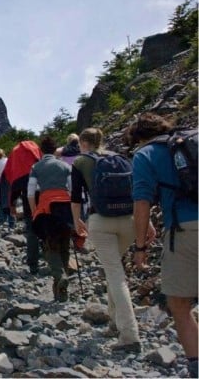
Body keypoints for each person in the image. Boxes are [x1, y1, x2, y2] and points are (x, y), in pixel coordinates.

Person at [127, 113, 198, 376]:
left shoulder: (145, 155)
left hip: (184, 229)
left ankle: (196, 364)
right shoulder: (194, 137)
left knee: (179, 303)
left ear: (139, 137)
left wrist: (140, 247)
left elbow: (142, 202)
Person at [71, 127, 153, 353]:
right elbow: (137, 191)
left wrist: (77, 221)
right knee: (114, 271)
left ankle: (130, 335)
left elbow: (76, 197)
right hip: (129, 221)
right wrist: (147, 223)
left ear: (83, 143)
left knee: (116, 276)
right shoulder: (120, 158)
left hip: (101, 221)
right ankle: (114, 323)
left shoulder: (80, 162)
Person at [28, 136, 73, 301]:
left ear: (41, 150)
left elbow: (30, 193)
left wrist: (34, 211)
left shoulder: (36, 167)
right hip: (66, 207)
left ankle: (59, 276)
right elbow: (72, 189)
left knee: (51, 245)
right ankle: (63, 287)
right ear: (55, 150)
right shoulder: (65, 166)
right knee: (65, 245)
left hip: (47, 208)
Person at [2, 140, 43, 274]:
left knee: (31, 230)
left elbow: (14, 181)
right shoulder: (36, 152)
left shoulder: (15, 154)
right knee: (47, 226)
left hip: (27, 198)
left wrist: (12, 204)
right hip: (44, 196)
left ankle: (33, 264)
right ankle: (53, 258)